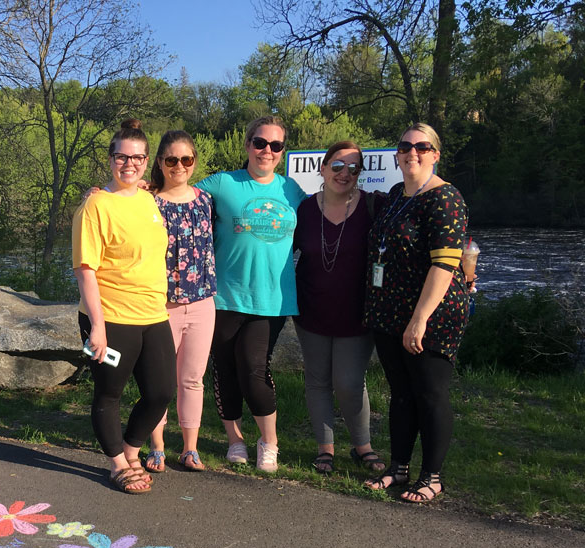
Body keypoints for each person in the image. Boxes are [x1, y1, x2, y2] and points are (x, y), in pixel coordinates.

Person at [363, 123, 470, 502]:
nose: (413, 152)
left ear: (435, 153)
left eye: (422, 147)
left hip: (432, 315)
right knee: (401, 394)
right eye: (406, 146)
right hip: (389, 312)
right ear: (397, 154)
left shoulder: (445, 199)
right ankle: (399, 467)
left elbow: (444, 265)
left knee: (429, 394)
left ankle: (433, 476)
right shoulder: (396, 194)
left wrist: (420, 318)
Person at [196, 115, 307, 472]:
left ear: (282, 151)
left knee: (253, 370)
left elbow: (330, 213)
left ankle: (269, 442)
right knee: (225, 369)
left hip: (272, 300)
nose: (267, 151)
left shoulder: (292, 191)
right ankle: (234, 440)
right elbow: (176, 193)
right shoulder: (223, 183)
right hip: (224, 297)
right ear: (248, 145)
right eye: (260, 143)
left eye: (275, 145)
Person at [73, 118, 175, 494]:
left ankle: (131, 450)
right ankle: (118, 464)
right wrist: (96, 327)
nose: (129, 164)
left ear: (146, 161)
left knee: (161, 391)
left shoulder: (148, 199)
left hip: (153, 314)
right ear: (111, 158)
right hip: (110, 316)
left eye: (136, 158)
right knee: (110, 393)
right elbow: (86, 268)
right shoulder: (96, 205)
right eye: (121, 157)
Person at [293, 141, 386, 475]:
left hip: (358, 314)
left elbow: (411, 228)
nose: (344, 174)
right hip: (310, 310)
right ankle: (325, 448)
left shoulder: (376, 206)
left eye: (352, 168)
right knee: (317, 380)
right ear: (322, 168)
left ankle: (363, 446)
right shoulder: (302, 209)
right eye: (337, 166)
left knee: (348, 381)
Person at [140, 130, 216, 473]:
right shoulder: (147, 200)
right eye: (171, 160)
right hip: (161, 304)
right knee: (159, 380)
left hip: (202, 303)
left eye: (186, 159)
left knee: (192, 379)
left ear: (194, 162)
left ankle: (190, 449)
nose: (179, 166)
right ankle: (156, 446)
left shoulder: (205, 200)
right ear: (160, 162)